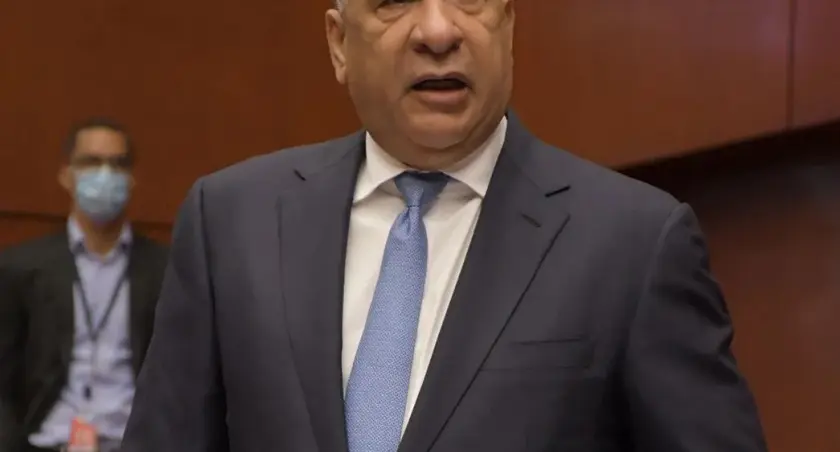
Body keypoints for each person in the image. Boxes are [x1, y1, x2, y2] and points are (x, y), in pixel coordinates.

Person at [122, 0, 768, 451]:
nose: (437, 30)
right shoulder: (232, 222)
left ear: (508, 24)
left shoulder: (634, 242)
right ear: (338, 44)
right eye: (394, 2)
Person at [0, 118, 169, 452]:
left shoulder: (165, 270)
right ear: (66, 175)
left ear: (132, 179)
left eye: (117, 164)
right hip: (46, 443)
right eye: (91, 162)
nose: (105, 174)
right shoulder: (20, 267)